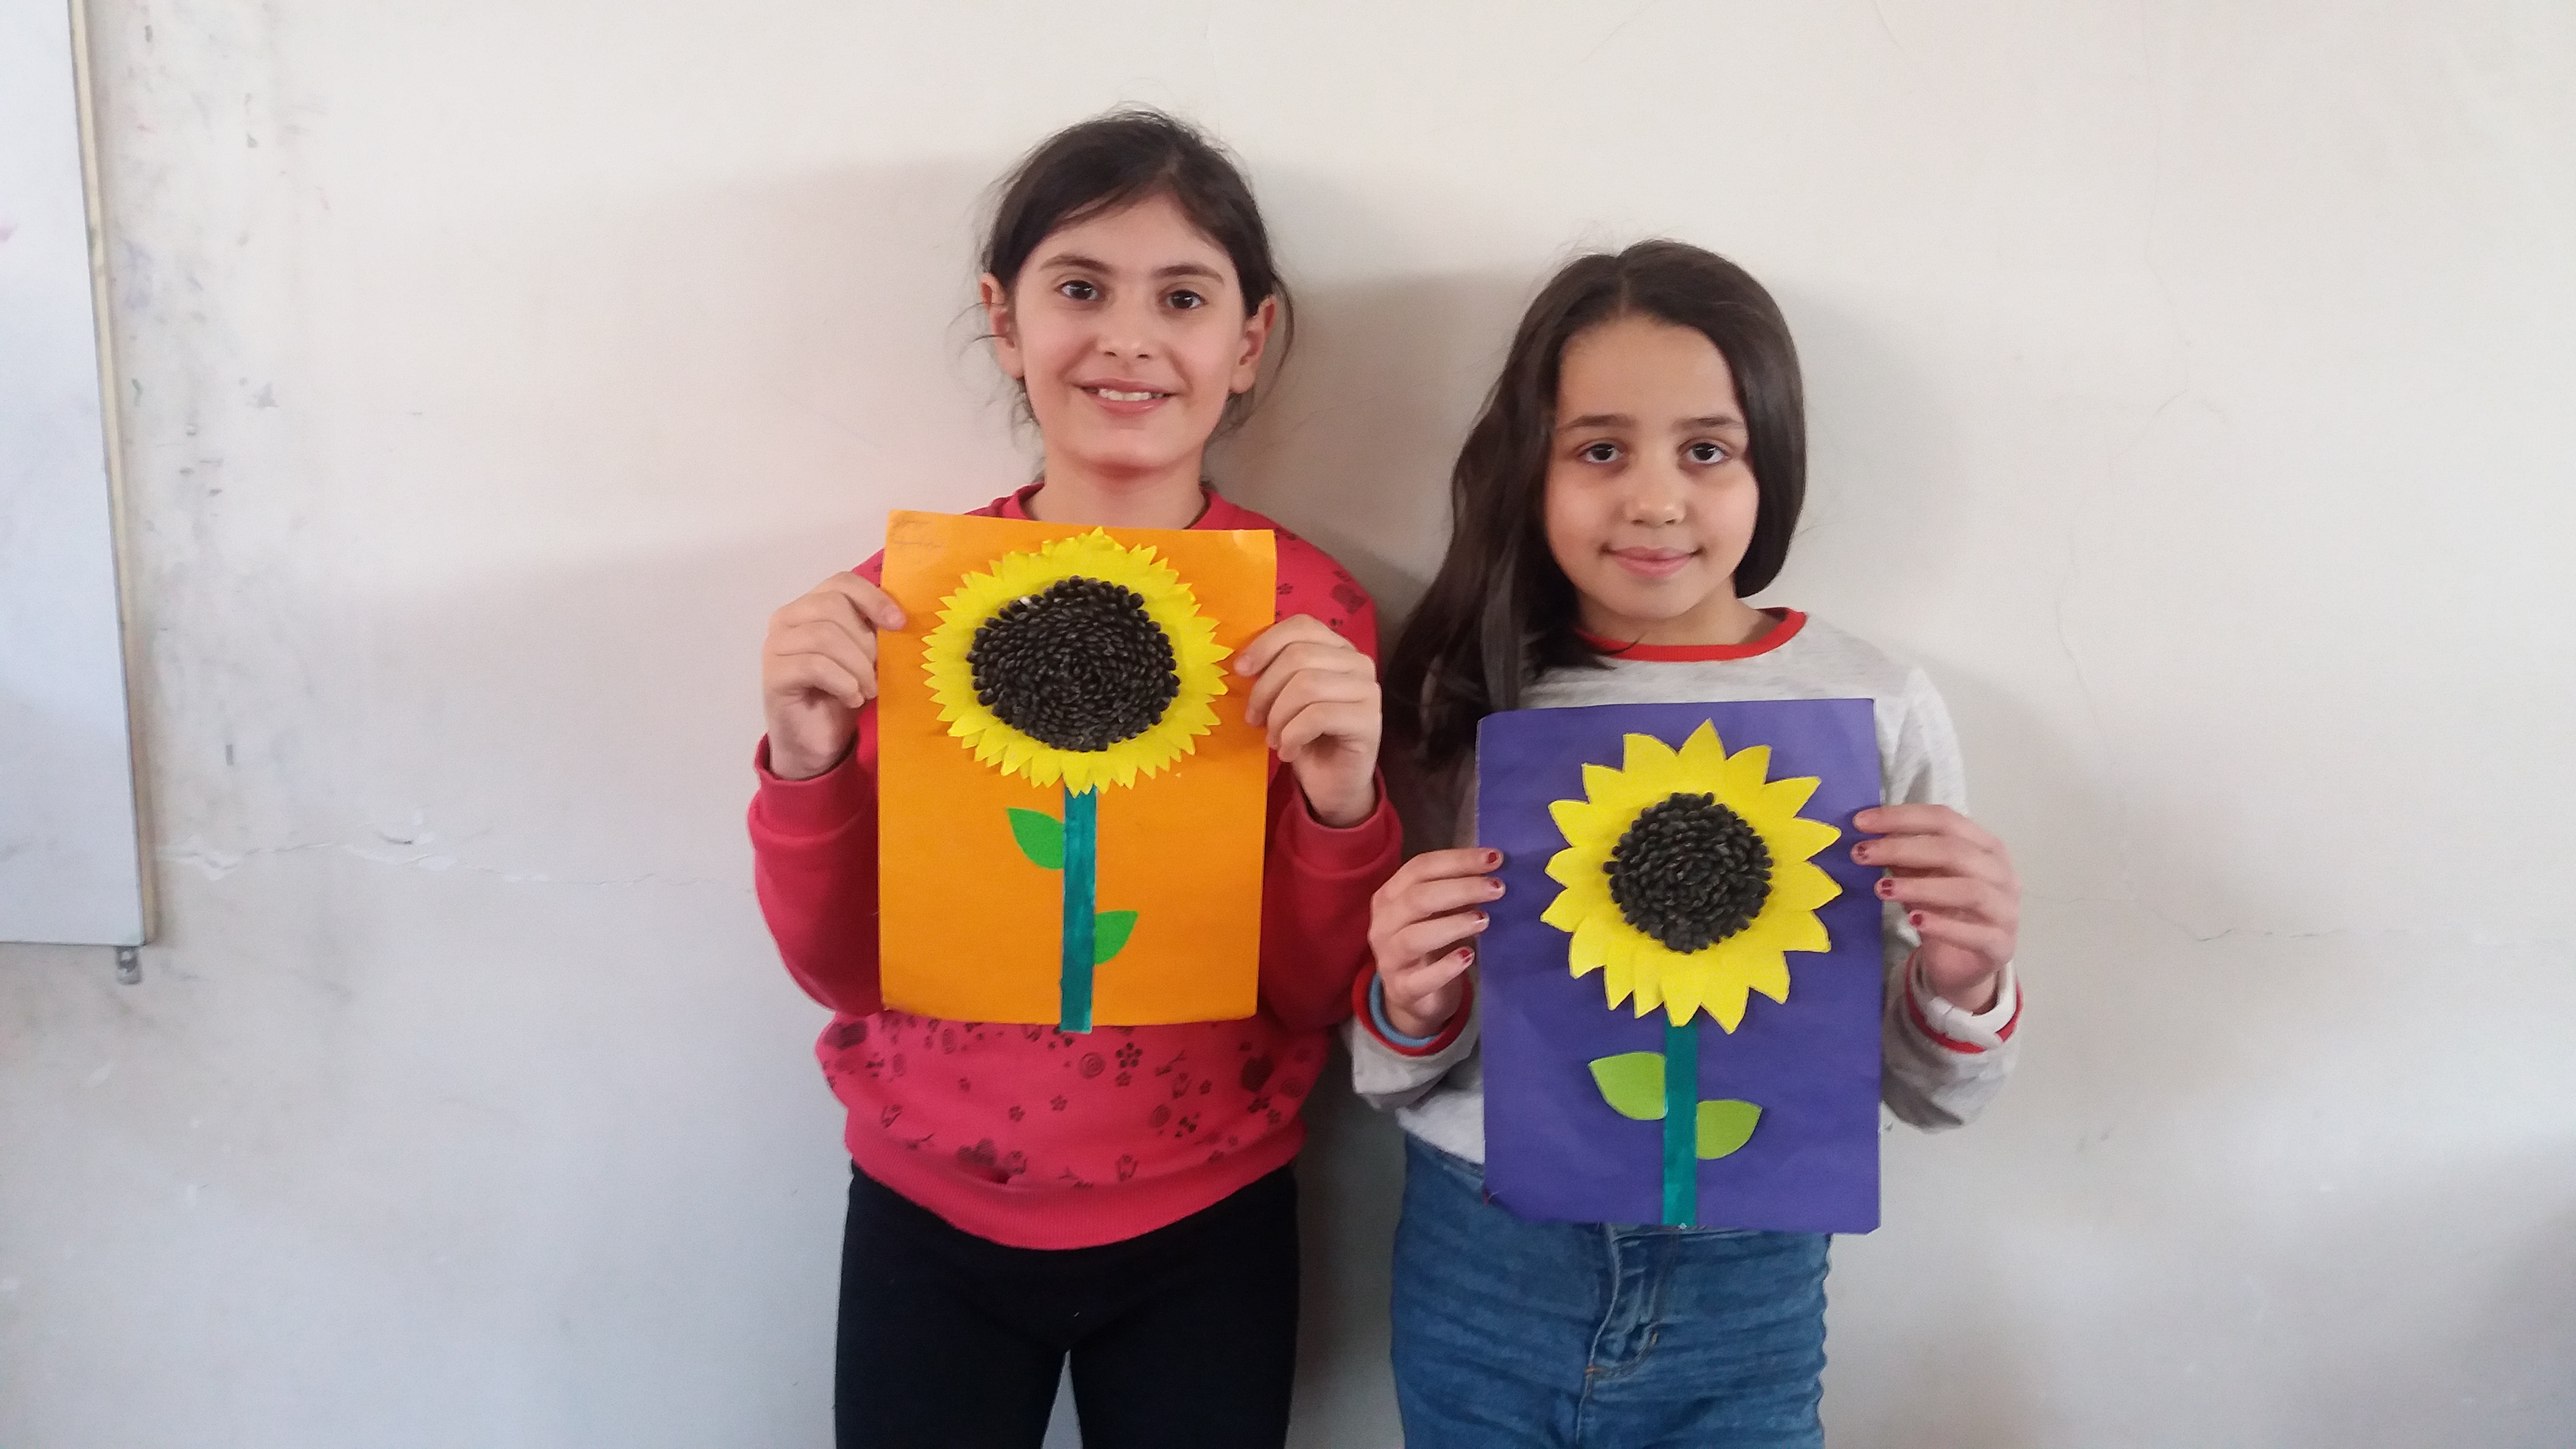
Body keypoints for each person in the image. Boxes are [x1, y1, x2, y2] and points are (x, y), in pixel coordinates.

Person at [750, 109, 1400, 1449]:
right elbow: (844, 972)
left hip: (1209, 1210)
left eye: (1183, 297)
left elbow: (1307, 990)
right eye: (1081, 288)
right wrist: (806, 766)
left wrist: (1344, 806)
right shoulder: (897, 612)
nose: (1129, 338)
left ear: (1250, 340)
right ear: (1005, 318)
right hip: (928, 1200)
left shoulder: (1310, 616)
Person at [1354, 240, 2024, 1448]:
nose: (1656, 500)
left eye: (1706, 450)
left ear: (1773, 463)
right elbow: (1388, 1068)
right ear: (1533, 465)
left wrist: (1964, 983)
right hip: (1489, 1256)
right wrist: (1411, 997)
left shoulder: (1876, 707)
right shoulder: (1474, 694)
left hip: (1749, 1274)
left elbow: (1932, 1092)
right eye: (1600, 450)